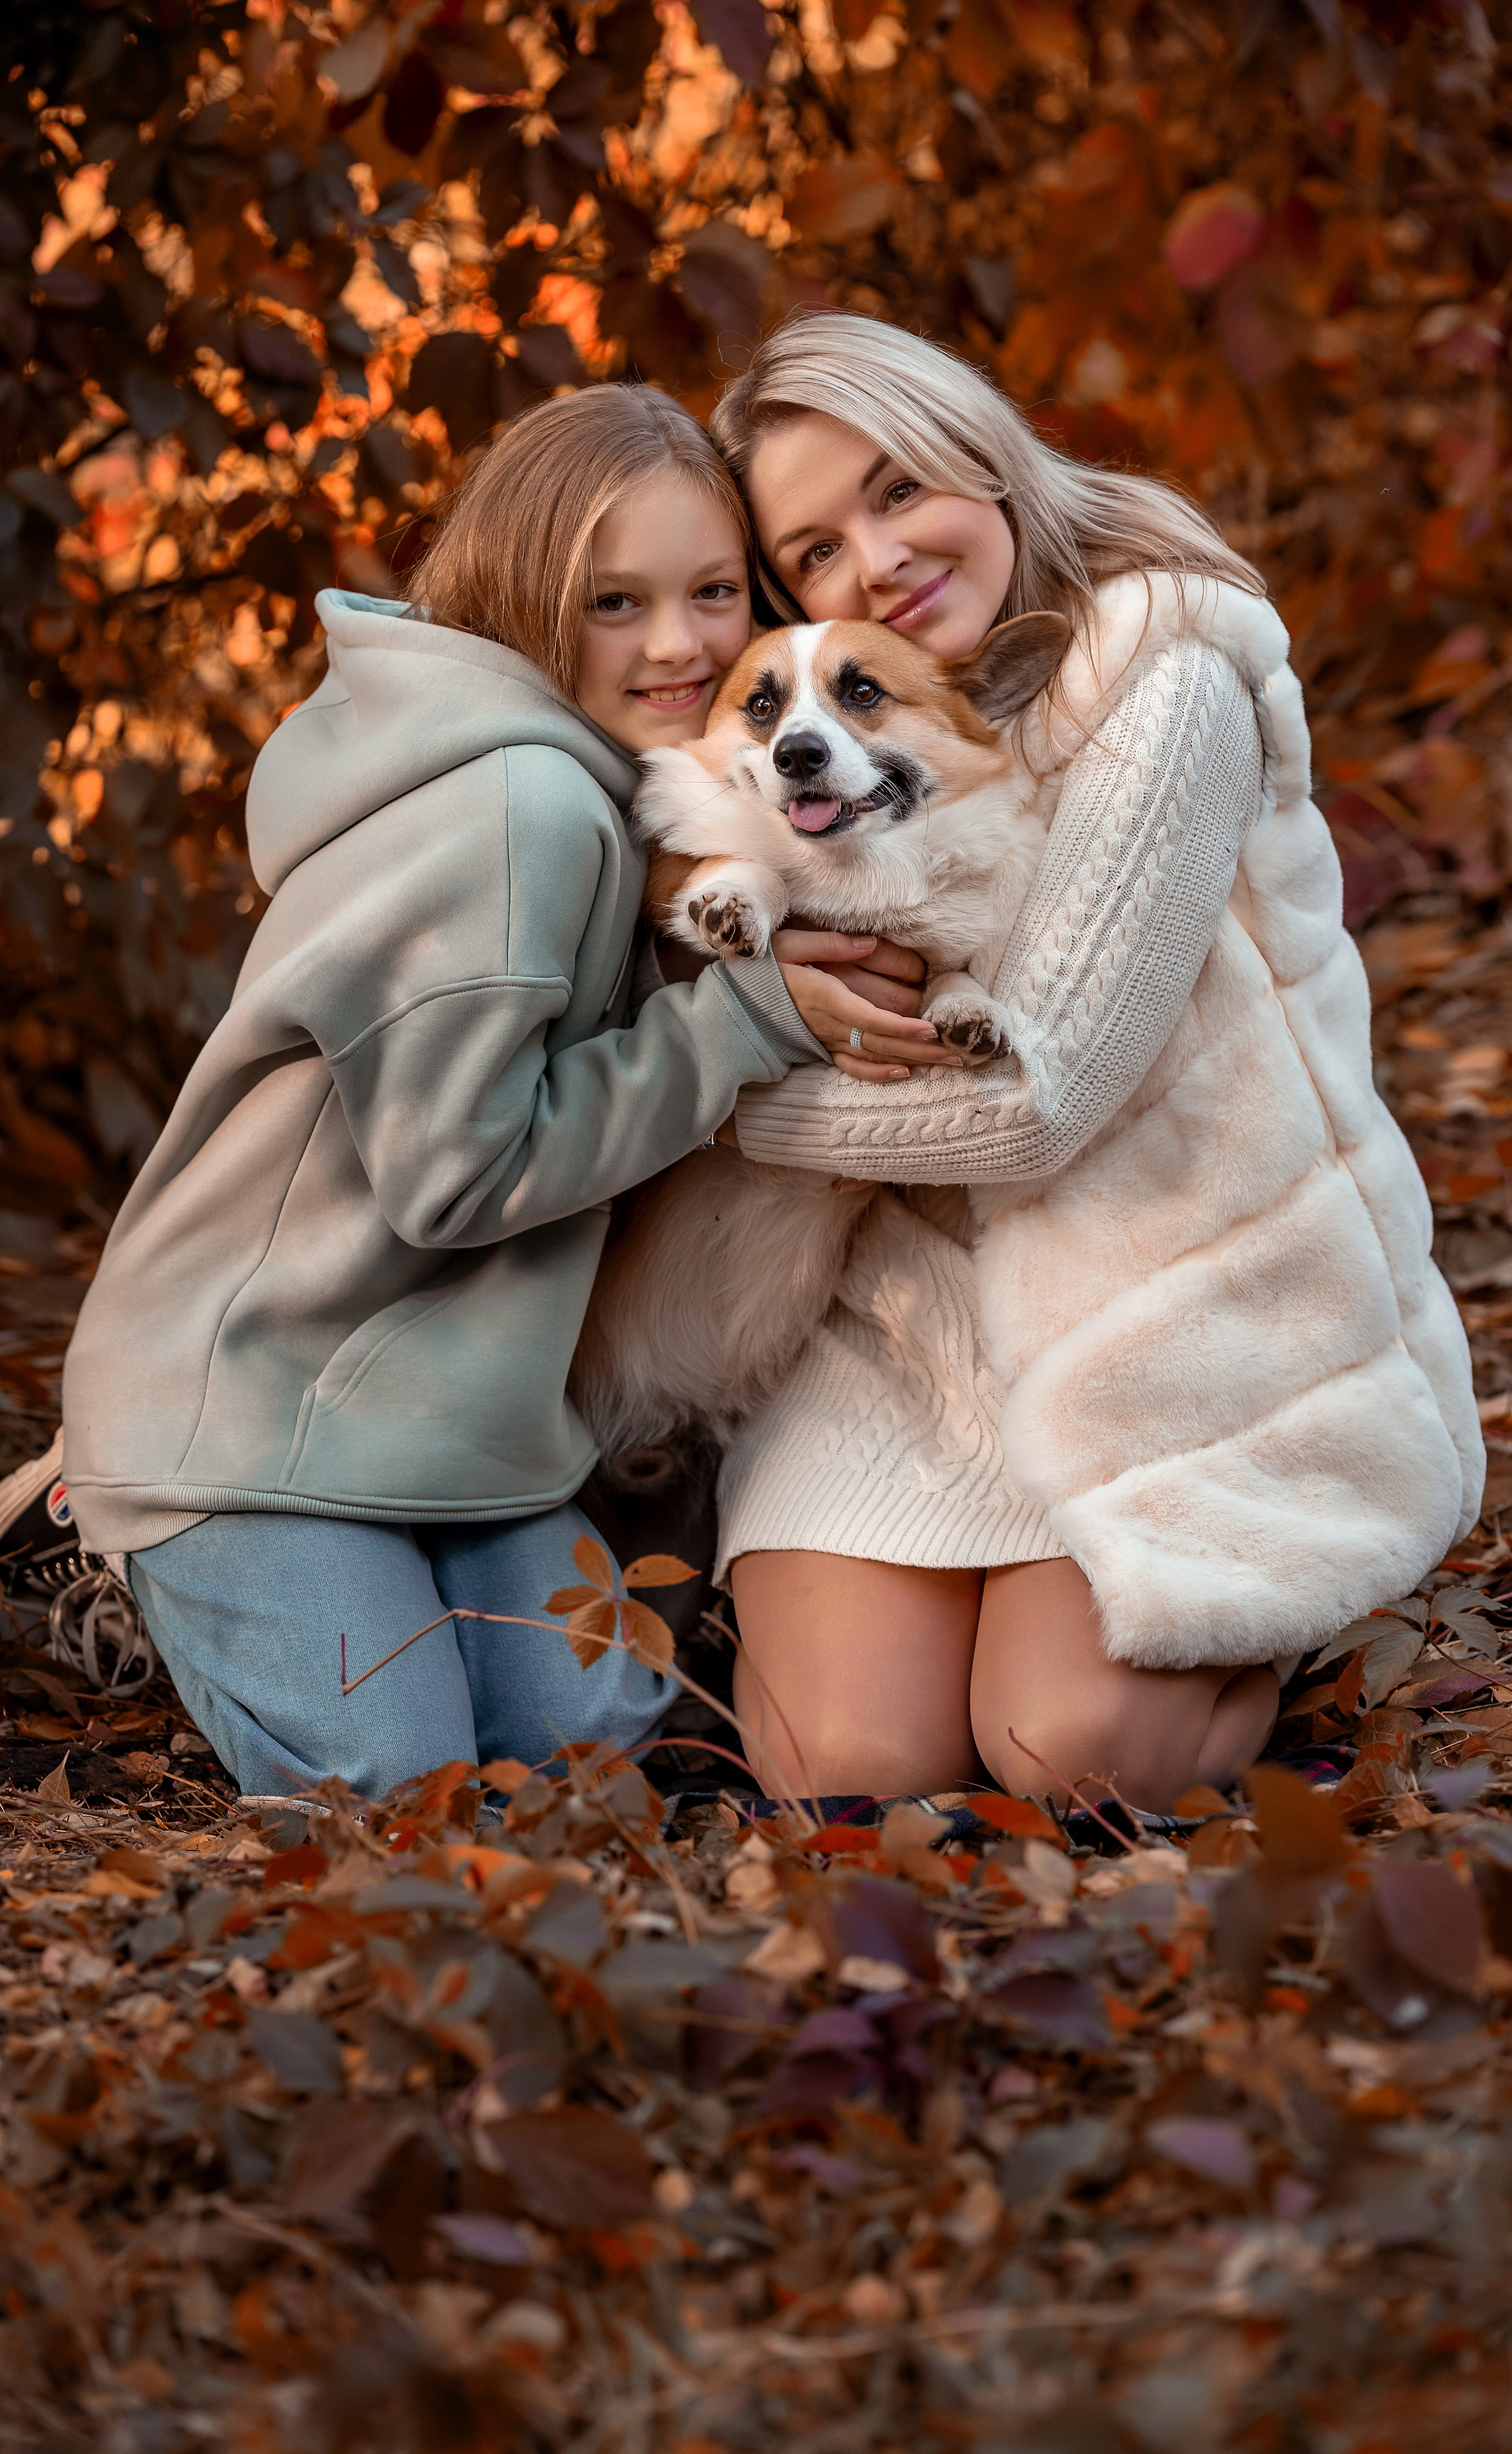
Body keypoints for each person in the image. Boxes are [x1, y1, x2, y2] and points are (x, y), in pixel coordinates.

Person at [50, 384, 943, 1803]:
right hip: (252, 1420)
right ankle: (112, 1546)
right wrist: (747, 1024)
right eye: (613, 602)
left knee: (605, 1759)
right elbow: (454, 1175)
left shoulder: (620, 785)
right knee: (408, 1794)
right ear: (525, 598)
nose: (678, 644)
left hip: (463, 1426)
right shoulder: (520, 809)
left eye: (713, 590)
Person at [703, 314, 1483, 1816]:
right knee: (843, 1768)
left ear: (983, 459)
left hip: (1180, 1307)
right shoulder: (803, 754)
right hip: (908, 1313)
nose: (872, 562)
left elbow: (1029, 1111)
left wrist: (712, 1096)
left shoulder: (1157, 666)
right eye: (810, 550)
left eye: (897, 487)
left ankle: (1276, 1605)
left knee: (1075, 1759)